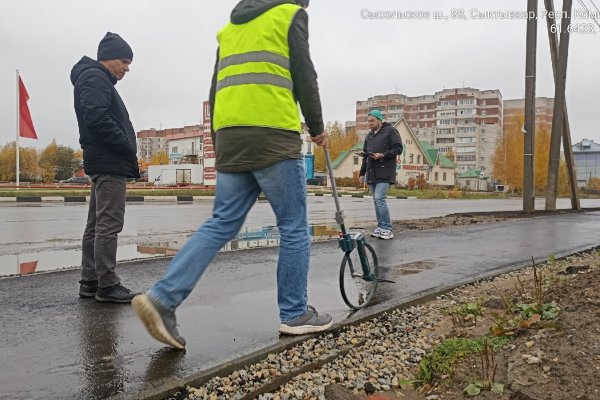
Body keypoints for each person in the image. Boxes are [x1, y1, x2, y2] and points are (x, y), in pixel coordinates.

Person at [132, 0, 332, 349]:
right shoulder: (290, 15)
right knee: (294, 226)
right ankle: (295, 313)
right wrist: (316, 127)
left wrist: (217, 141)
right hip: (272, 134)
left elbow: (215, 89)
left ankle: (162, 299)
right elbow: (304, 74)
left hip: (230, 136)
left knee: (221, 222)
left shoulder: (230, 29)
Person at [71, 32, 140, 303]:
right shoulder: (95, 77)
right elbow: (96, 117)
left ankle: (90, 281)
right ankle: (107, 285)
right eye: (124, 61)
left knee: (97, 224)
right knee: (109, 224)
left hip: (103, 159)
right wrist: (124, 143)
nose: (127, 68)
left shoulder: (94, 78)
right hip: (109, 160)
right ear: (108, 58)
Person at [359, 109, 403, 240]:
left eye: (372, 120)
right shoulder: (369, 136)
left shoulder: (390, 131)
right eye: (368, 121)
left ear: (379, 120)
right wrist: (362, 173)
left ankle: (387, 228)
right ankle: (381, 226)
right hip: (372, 172)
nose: (370, 123)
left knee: (379, 198)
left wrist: (383, 155)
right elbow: (366, 156)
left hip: (385, 171)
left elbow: (398, 149)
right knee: (375, 200)